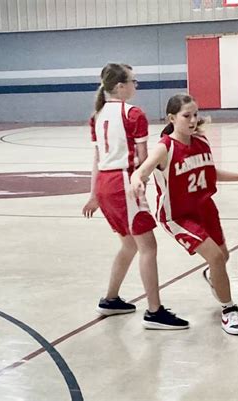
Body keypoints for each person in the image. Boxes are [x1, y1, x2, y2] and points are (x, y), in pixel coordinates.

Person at [129, 93, 238, 336]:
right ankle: (228, 311)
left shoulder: (201, 142)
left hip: (205, 209)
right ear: (172, 117)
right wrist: (137, 181)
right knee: (216, 258)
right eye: (186, 116)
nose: (192, 120)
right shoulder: (164, 147)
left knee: (222, 256)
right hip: (178, 215)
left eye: (195, 115)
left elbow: (210, 172)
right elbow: (141, 170)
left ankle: (214, 278)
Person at [82, 63, 188, 330]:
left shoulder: (96, 116)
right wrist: (147, 178)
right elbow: (143, 159)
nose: (136, 85)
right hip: (124, 183)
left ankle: (110, 299)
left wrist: (94, 193)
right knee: (148, 247)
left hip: (107, 185)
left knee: (129, 245)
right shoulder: (133, 114)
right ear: (120, 86)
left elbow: (96, 159)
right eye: (133, 81)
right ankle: (154, 312)